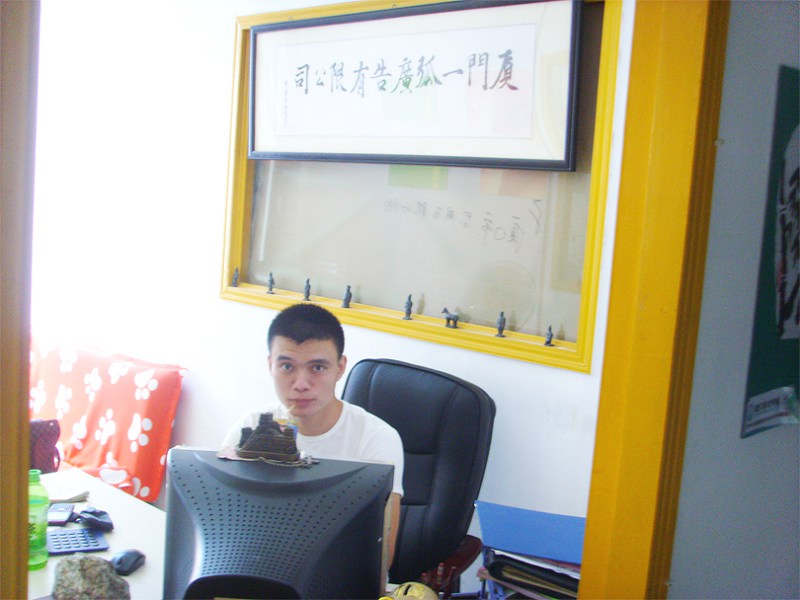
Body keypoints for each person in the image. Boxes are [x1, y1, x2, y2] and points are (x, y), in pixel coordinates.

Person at [221, 303, 404, 568]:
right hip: (260, 568)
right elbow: (227, 531)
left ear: (340, 368)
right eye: (287, 366)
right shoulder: (249, 429)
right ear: (270, 365)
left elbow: (381, 560)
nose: (301, 384)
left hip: (339, 574)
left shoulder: (377, 438)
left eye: (317, 368)